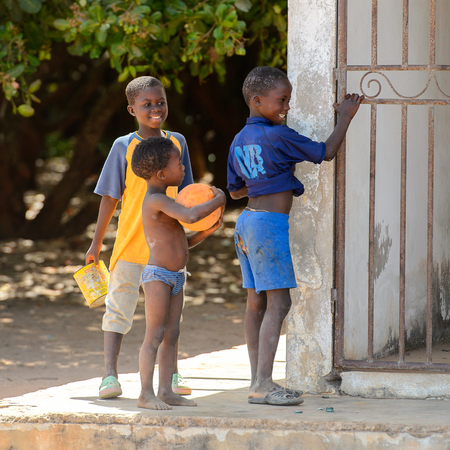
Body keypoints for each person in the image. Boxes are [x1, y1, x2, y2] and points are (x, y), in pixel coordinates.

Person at [227, 66, 363, 406]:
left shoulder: (239, 140)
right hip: (269, 226)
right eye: (281, 100)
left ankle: (257, 379)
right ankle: (262, 384)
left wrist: (273, 178)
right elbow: (324, 152)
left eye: (288, 100)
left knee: (256, 303)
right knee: (280, 303)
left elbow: (236, 191)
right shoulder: (278, 135)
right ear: (257, 101)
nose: (286, 107)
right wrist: (345, 117)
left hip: (246, 223)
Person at [86, 76, 194, 399]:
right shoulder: (124, 146)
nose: (155, 108)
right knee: (118, 309)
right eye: (146, 104)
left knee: (171, 319)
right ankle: (109, 375)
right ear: (132, 109)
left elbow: (187, 193)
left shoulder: (178, 143)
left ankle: (171, 375)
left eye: (160, 102)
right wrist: (96, 243)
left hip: (166, 251)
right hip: (130, 247)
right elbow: (110, 197)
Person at [131, 136, 226, 409]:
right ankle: (145, 394)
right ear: (162, 174)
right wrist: (218, 198)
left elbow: (182, 241)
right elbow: (192, 216)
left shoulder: (166, 199)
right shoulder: (156, 200)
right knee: (155, 334)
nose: (183, 165)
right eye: (178, 162)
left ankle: (166, 390)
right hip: (158, 276)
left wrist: (206, 233)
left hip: (176, 276)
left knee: (172, 333)